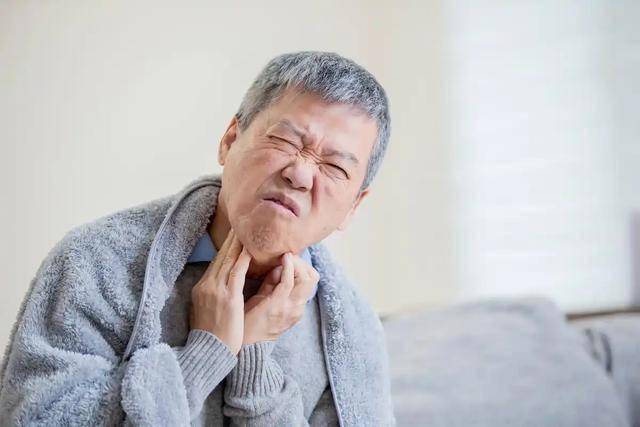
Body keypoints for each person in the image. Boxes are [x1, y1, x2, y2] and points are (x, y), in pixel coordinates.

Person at [0, 51, 395, 426]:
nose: (301, 175)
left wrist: (254, 366)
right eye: (286, 141)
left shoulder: (353, 330)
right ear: (230, 140)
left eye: (334, 167)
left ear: (354, 206)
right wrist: (204, 355)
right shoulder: (95, 262)